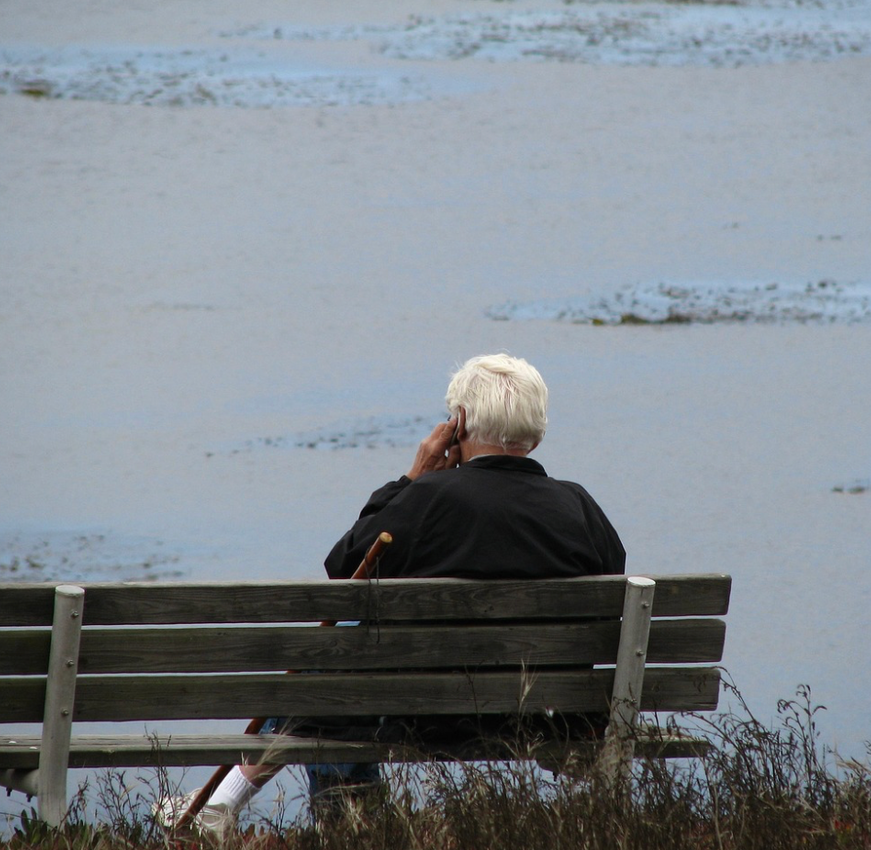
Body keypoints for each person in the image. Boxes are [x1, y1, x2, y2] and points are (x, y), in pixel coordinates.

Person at [160, 353, 625, 833]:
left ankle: (334, 826)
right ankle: (222, 803)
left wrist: (413, 478)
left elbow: (343, 571)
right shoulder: (581, 508)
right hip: (537, 716)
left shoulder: (430, 499)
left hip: (418, 714)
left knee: (336, 663)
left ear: (458, 422)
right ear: (538, 431)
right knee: (338, 663)